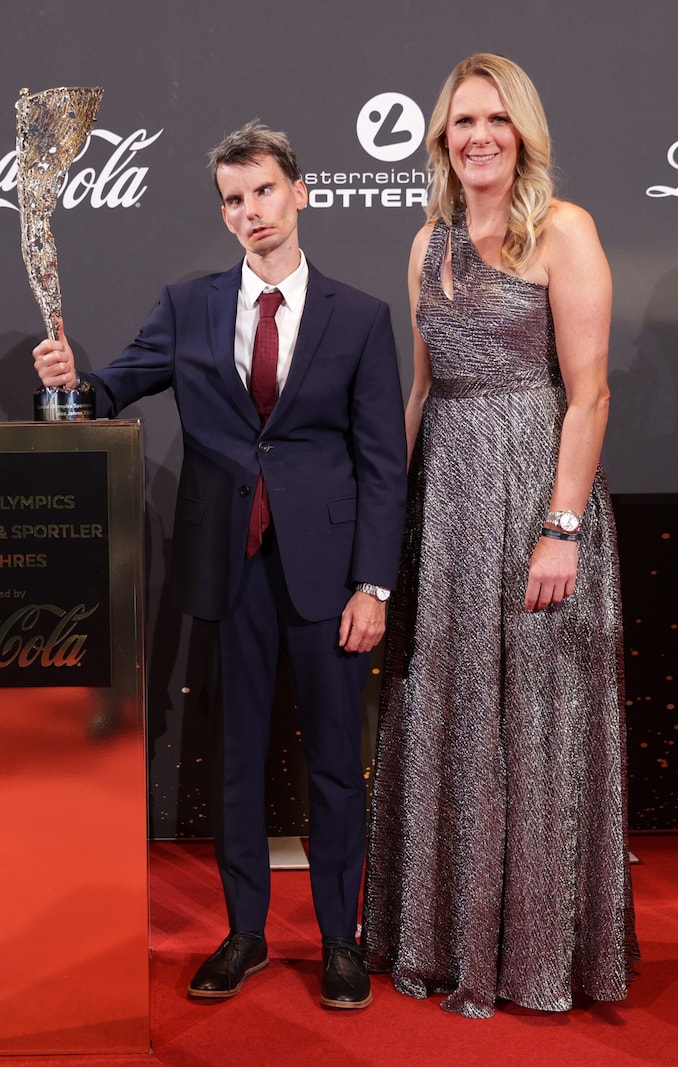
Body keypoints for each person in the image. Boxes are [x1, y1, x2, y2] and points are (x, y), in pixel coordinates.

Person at [32, 121, 407, 1010]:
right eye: (233, 200)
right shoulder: (187, 304)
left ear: (301, 191)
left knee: (332, 764)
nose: (250, 212)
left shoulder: (360, 317)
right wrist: (66, 380)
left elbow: (383, 462)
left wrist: (374, 584)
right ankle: (245, 934)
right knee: (234, 758)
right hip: (226, 569)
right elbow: (108, 389)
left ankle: (340, 940)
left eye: (264, 191)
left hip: (329, 576)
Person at [362, 54, 639, 1018]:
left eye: (495, 120)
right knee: (451, 709)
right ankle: (440, 937)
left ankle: (536, 953)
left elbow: (591, 391)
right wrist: (382, 519)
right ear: (441, 139)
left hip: (533, 494)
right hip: (445, 503)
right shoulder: (428, 241)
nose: (477, 136)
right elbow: (423, 389)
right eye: (461, 122)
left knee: (534, 720)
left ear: (523, 130)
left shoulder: (565, 232)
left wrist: (561, 528)